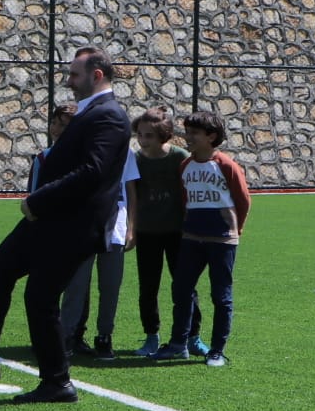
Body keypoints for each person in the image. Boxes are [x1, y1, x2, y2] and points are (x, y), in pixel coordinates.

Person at [0, 47, 130, 404]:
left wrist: (38, 199)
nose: (69, 81)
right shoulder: (92, 112)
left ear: (97, 75)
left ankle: (57, 382)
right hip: (51, 220)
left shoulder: (110, 116)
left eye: (75, 75)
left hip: (72, 225)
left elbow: (92, 172)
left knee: (40, 296)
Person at [151, 110, 251, 367]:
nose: (188, 137)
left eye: (194, 133)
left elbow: (243, 200)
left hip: (222, 241)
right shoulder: (185, 165)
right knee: (181, 290)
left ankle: (217, 350)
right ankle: (178, 344)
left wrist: (234, 230)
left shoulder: (226, 165)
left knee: (221, 296)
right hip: (192, 239)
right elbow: (186, 200)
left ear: (211, 136)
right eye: (187, 132)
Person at [129, 107, 199, 357]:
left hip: (178, 234)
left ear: (163, 135)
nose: (143, 140)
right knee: (148, 288)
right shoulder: (136, 161)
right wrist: (132, 230)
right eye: (140, 134)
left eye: (149, 135)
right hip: (147, 233)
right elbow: (132, 197)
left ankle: (192, 337)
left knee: (184, 286)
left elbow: (190, 191)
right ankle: (151, 336)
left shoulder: (180, 158)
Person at [61, 143, 140, 360]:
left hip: (116, 229)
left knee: (110, 287)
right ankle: (66, 336)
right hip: (83, 227)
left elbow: (131, 189)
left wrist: (131, 228)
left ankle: (104, 336)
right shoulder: (82, 147)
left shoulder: (125, 151)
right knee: (76, 285)